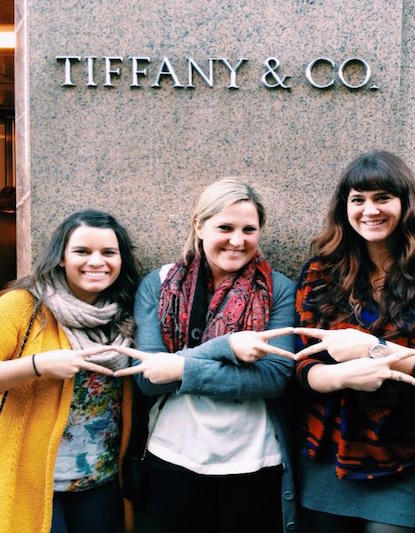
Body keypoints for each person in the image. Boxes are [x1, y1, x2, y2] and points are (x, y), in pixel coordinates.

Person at [292, 150, 415, 532]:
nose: (370, 210)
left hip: (409, 456)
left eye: (383, 198)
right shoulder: (319, 272)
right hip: (326, 456)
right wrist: (343, 378)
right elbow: (301, 364)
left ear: (406, 204)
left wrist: (372, 351)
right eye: (358, 199)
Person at [113, 178, 297, 532]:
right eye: (225, 227)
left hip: (254, 459)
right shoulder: (160, 284)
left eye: (249, 229)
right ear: (199, 225)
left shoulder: (280, 289)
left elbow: (273, 378)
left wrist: (180, 368)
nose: (238, 240)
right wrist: (225, 349)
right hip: (174, 455)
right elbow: (148, 378)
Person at [0, 209, 141, 533]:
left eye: (108, 252)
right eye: (82, 251)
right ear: (61, 257)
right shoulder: (24, 305)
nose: (96, 261)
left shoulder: (124, 315)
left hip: (100, 481)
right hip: (27, 481)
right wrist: (37, 366)